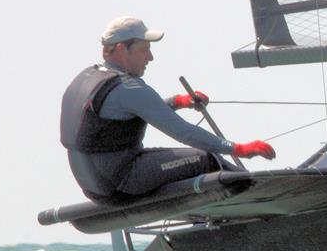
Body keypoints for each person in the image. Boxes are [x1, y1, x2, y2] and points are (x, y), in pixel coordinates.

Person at [60, 16, 275, 204]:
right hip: (122, 181)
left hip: (95, 187)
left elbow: (121, 113)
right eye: (144, 49)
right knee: (206, 160)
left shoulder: (87, 78)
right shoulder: (127, 87)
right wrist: (239, 149)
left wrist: (178, 101)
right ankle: (265, 197)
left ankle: (222, 216)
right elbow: (184, 132)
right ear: (120, 49)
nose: (150, 58)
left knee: (185, 162)